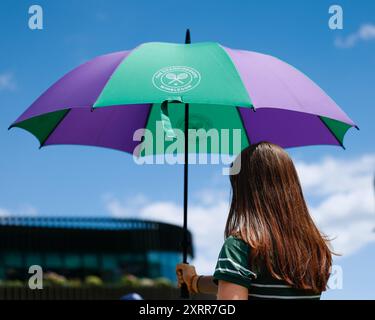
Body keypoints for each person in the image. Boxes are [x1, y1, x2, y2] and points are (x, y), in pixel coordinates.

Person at [176, 142, 332, 300]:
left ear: (245, 192)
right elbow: (250, 282)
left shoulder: (240, 246)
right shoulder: (315, 249)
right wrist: (194, 281)